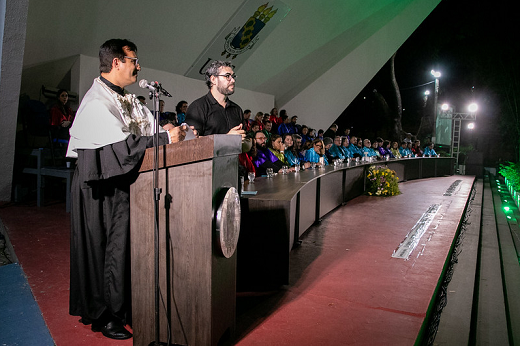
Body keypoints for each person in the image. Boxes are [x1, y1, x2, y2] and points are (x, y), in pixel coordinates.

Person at [66, 39, 187, 340]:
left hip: (119, 182)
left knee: (119, 247)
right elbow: (122, 150)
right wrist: (164, 140)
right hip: (99, 184)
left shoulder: (127, 99)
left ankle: (119, 306)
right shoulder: (97, 102)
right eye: (134, 60)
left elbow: (149, 131)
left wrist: (173, 133)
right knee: (102, 248)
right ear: (117, 62)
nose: (139, 66)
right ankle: (103, 315)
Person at [185, 60, 245, 138]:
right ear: (213, 79)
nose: (233, 80)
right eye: (227, 76)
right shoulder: (197, 107)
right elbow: (191, 141)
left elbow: (245, 143)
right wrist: (228, 139)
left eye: (233, 76)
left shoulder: (237, 109)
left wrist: (247, 142)